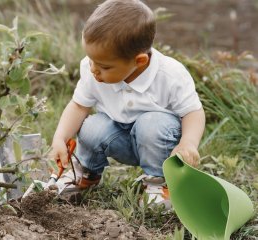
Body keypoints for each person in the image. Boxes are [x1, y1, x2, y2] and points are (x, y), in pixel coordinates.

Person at [50, 0, 205, 207]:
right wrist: (60, 137)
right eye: (90, 60)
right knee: (92, 127)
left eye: (104, 66)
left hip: (157, 141)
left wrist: (188, 143)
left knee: (151, 123)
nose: (94, 69)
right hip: (118, 138)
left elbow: (193, 112)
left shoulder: (170, 75)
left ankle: (159, 182)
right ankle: (86, 172)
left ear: (139, 61)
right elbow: (79, 106)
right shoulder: (92, 70)